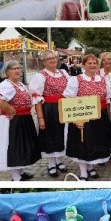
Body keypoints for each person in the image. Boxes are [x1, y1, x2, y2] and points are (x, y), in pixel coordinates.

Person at [62, 54, 111, 181]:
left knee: (95, 142)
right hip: (83, 117)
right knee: (83, 143)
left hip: (100, 116)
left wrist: (107, 116)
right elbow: (68, 99)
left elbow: (107, 99)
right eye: (89, 63)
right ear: (84, 65)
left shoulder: (103, 79)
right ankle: (83, 172)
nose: (92, 65)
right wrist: (75, 120)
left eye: (95, 63)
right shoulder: (76, 79)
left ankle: (91, 167)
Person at [0, 60, 40, 181]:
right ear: (7, 72)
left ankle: (21, 172)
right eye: (14, 68)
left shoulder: (20, 84)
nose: (18, 70)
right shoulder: (7, 85)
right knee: (14, 147)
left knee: (22, 147)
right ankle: (16, 177)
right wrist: (10, 110)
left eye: (19, 68)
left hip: (24, 119)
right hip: (14, 121)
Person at [29, 50, 70, 178]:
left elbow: (72, 89)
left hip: (63, 108)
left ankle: (59, 160)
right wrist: (40, 118)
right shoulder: (40, 76)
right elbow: (37, 98)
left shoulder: (63, 73)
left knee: (61, 134)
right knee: (50, 135)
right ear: (44, 61)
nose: (52, 60)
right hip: (49, 109)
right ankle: (51, 164)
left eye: (54, 58)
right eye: (48, 59)